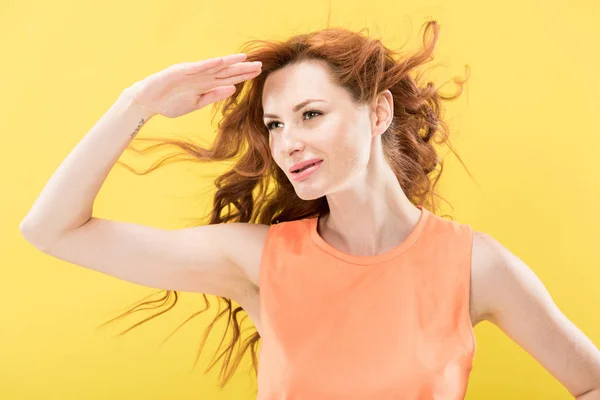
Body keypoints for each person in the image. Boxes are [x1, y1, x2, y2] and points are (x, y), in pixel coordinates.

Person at [19, 20, 600, 399]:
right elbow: (51, 230)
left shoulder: (475, 266)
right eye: (274, 124)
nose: (286, 141)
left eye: (310, 114)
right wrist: (135, 104)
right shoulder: (257, 259)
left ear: (378, 113)